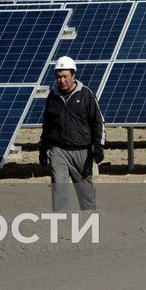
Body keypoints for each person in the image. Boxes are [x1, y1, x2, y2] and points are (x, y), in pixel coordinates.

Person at [38, 56, 105, 212]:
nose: (61, 80)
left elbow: (98, 121)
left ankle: (89, 219)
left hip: (82, 151)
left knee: (85, 192)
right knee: (59, 188)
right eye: (58, 76)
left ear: (73, 75)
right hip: (58, 150)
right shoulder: (52, 97)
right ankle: (62, 222)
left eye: (65, 76)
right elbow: (47, 125)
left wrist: (99, 146)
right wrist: (43, 148)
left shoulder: (86, 94)